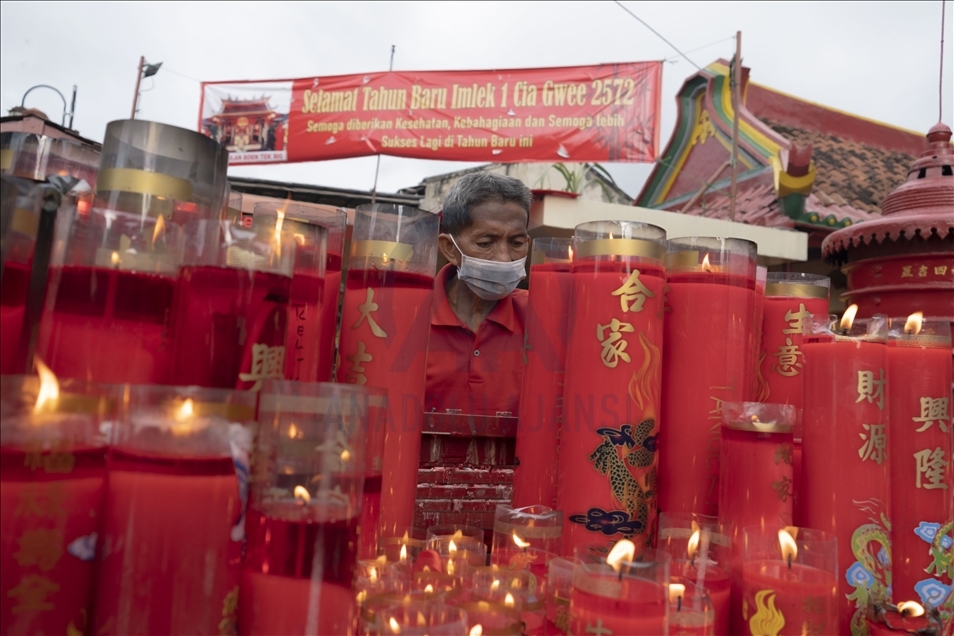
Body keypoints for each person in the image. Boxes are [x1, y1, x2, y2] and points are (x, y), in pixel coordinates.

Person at [424, 172, 532, 417]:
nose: (504, 258)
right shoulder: (409, 313)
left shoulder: (542, 315)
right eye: (486, 243)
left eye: (516, 243)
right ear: (450, 249)